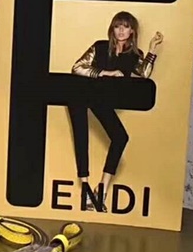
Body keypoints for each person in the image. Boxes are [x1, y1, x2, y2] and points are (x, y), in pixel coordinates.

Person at [67, 11, 163, 211]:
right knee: (81, 134)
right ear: (112, 29)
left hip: (102, 100)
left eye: (126, 27)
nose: (121, 31)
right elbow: (77, 67)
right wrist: (106, 73)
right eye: (118, 26)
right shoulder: (100, 46)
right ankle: (85, 187)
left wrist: (152, 50)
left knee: (120, 137)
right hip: (83, 94)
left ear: (132, 31)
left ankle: (101, 190)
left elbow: (144, 74)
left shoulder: (134, 55)